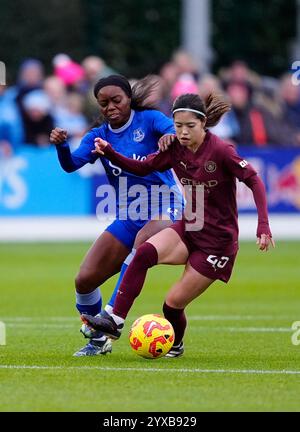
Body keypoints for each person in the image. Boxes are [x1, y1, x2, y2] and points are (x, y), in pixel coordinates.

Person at [81, 92, 275, 358]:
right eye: (178, 125)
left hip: (216, 244)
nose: (183, 132)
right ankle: (114, 320)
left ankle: (177, 343)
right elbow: (142, 168)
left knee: (172, 306)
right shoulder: (175, 149)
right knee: (144, 252)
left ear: (203, 123)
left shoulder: (220, 151)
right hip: (189, 226)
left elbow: (254, 180)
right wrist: (110, 152)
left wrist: (263, 224)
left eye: (190, 126)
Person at [50, 75, 183, 356]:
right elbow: (72, 165)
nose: (110, 107)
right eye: (104, 103)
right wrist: (62, 146)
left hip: (166, 204)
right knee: (84, 280)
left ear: (128, 99)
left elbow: (171, 128)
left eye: (116, 100)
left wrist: (171, 135)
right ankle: (98, 341)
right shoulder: (99, 135)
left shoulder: (149, 119)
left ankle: (112, 317)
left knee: (143, 242)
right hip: (130, 213)